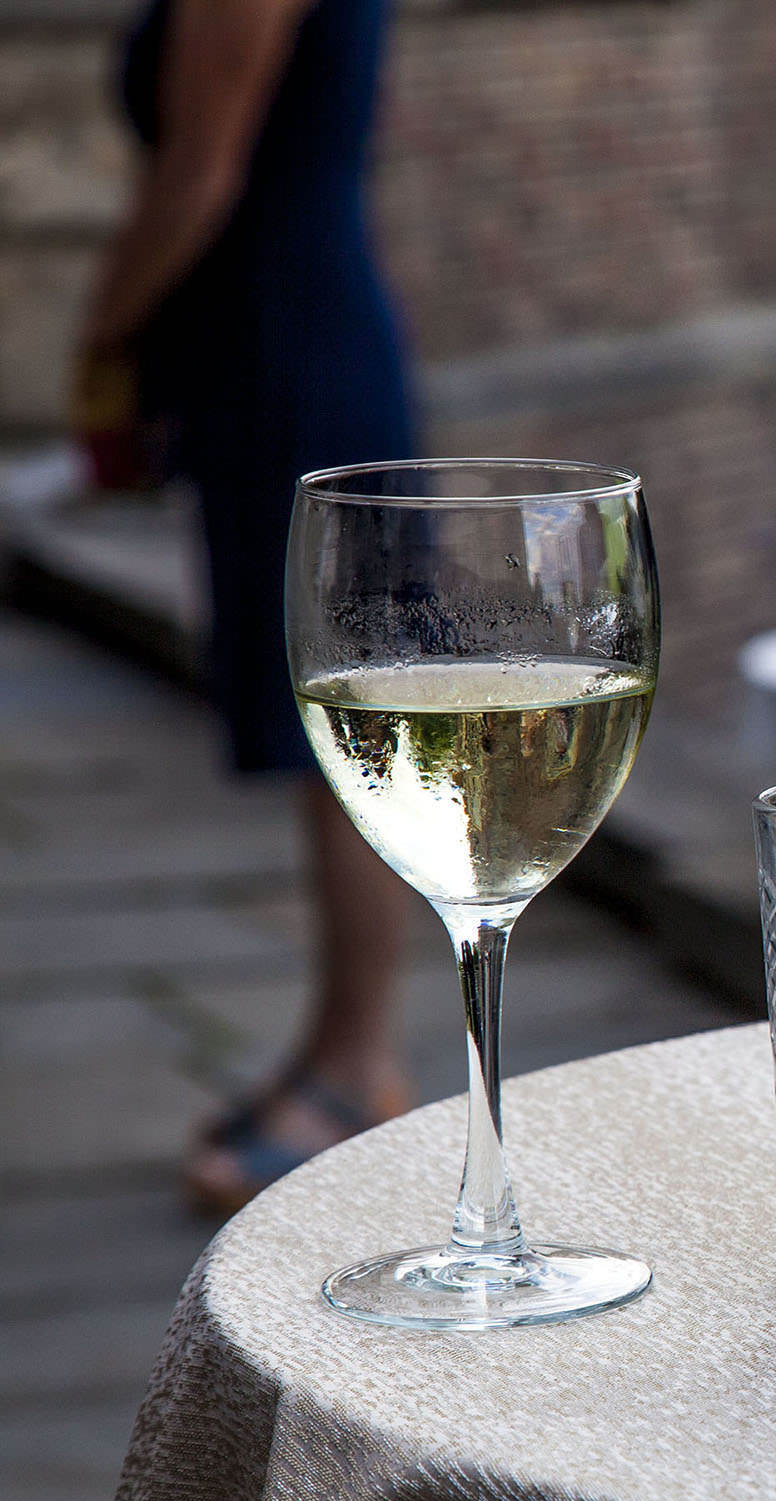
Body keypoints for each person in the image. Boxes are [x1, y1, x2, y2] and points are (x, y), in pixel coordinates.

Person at [78, 0, 420, 1211]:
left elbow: (201, 173)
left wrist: (100, 343)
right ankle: (336, 1051)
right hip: (269, 338)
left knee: (347, 725)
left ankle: (354, 1066)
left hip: (292, 350)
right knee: (321, 723)